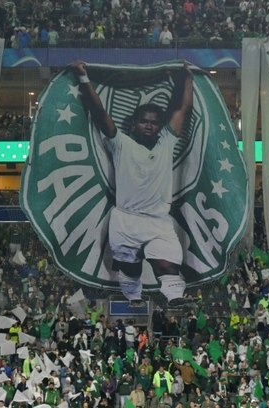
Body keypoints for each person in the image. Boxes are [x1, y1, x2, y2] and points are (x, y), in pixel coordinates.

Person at [70, 60, 195, 307]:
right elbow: (99, 112)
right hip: (127, 219)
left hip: (158, 220)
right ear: (133, 124)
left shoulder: (166, 142)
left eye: (154, 122)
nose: (149, 125)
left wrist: (188, 78)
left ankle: (174, 298)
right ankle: (133, 297)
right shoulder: (120, 143)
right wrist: (84, 78)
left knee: (167, 264)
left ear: (160, 126)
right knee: (130, 269)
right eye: (144, 121)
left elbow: (182, 110)